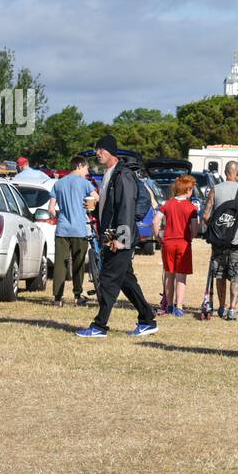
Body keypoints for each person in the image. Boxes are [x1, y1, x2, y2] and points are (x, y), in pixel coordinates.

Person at [77, 135, 158, 338]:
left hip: (120, 239)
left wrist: (120, 239)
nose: (97, 153)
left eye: (101, 150)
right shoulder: (108, 174)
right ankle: (147, 319)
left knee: (107, 281)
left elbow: (126, 208)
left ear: (111, 151)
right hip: (112, 236)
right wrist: (94, 210)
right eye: (96, 150)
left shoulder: (123, 175)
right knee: (126, 281)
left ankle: (99, 326)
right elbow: (111, 208)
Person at [201, 161, 238, 321]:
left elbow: (206, 216)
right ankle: (232, 308)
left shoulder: (215, 190)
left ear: (225, 173)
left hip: (219, 241)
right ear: (237, 174)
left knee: (219, 274)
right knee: (236, 274)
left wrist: (216, 227)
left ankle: (221, 307)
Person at [49, 155, 98, 308]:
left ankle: (57, 298)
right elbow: (96, 198)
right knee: (78, 264)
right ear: (79, 166)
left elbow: (51, 209)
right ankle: (77, 296)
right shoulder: (85, 184)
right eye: (86, 168)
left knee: (60, 264)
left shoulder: (58, 184)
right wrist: (90, 206)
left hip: (62, 229)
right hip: (79, 229)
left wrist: (59, 214)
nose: (87, 171)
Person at [153, 174, 199, 316]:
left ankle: (169, 305)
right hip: (183, 243)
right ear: (188, 190)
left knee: (169, 275)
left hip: (168, 242)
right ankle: (178, 306)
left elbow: (155, 221)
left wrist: (158, 237)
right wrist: (190, 237)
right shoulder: (191, 207)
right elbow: (195, 228)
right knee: (181, 276)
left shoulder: (167, 204)